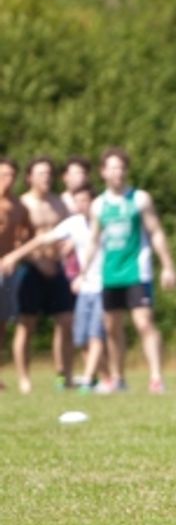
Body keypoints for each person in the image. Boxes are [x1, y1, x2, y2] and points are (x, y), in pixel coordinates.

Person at [76, 147, 176, 394]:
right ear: (103, 172)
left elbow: (156, 232)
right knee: (112, 327)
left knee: (144, 323)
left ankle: (156, 377)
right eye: (112, 168)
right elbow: (93, 240)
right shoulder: (98, 205)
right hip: (110, 273)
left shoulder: (140, 199)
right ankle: (118, 377)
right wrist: (83, 272)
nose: (117, 173)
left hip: (137, 271)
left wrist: (168, 266)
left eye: (121, 168)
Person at [3, 183, 108, 392]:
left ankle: (89, 378)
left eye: (85, 200)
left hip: (103, 283)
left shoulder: (105, 221)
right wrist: (14, 256)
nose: (81, 205)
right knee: (79, 335)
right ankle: (97, 377)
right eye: (77, 201)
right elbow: (41, 239)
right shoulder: (72, 222)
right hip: (76, 282)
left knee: (88, 330)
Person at [13, 157, 77, 390]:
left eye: (49, 173)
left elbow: (72, 230)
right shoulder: (22, 204)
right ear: (30, 177)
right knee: (27, 324)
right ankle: (24, 379)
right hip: (30, 268)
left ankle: (65, 375)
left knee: (66, 320)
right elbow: (17, 241)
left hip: (57, 267)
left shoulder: (59, 203)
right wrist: (37, 261)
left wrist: (67, 249)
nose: (46, 178)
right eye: (41, 173)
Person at [0, 159, 29, 392]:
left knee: (2, 323)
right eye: (2, 175)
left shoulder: (19, 206)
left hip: (7, 271)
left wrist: (15, 252)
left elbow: (25, 234)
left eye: (11, 175)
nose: (7, 180)